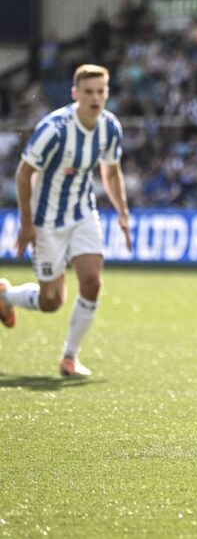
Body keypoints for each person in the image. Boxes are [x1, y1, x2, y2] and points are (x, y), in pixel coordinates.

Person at [0, 64, 132, 378]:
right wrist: (27, 223)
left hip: (83, 213)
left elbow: (111, 172)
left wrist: (123, 213)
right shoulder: (55, 128)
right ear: (75, 94)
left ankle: (69, 358)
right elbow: (24, 173)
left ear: (107, 93)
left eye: (101, 91)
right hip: (46, 221)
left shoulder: (110, 128)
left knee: (92, 281)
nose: (95, 98)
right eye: (88, 91)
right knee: (51, 301)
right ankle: (5, 296)